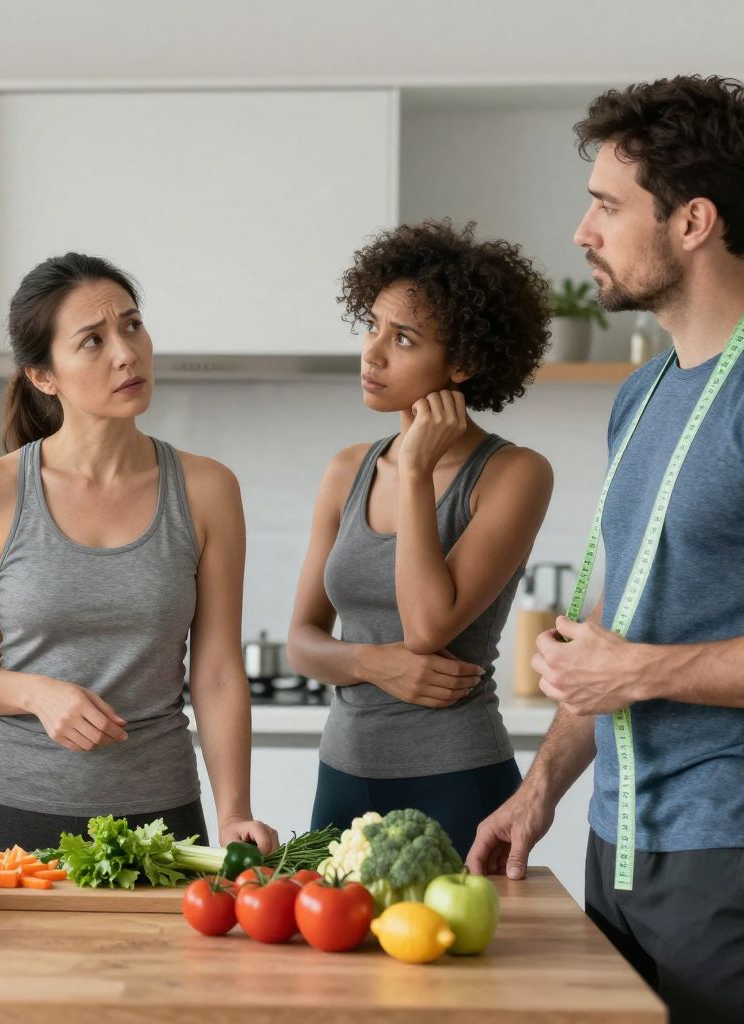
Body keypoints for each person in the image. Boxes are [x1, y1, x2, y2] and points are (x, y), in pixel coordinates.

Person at [466, 76, 744, 1023]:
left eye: (608, 206)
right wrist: (541, 790)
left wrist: (642, 671)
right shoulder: (645, 393)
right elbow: (613, 639)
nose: (583, 232)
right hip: (621, 841)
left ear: (694, 221)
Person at [0, 252, 278, 857]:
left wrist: (234, 812)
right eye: (92, 340)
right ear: (44, 376)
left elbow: (218, 672)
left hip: (161, 821)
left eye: (132, 325)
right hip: (13, 815)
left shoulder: (207, 489)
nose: (126, 353)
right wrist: (38, 694)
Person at [287, 220, 554, 857]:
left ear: (463, 362)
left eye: (402, 338)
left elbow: (428, 627)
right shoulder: (346, 470)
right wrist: (369, 663)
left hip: (456, 778)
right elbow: (301, 641)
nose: (372, 353)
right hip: (342, 774)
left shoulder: (515, 474)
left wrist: (412, 471)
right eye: (372, 326)